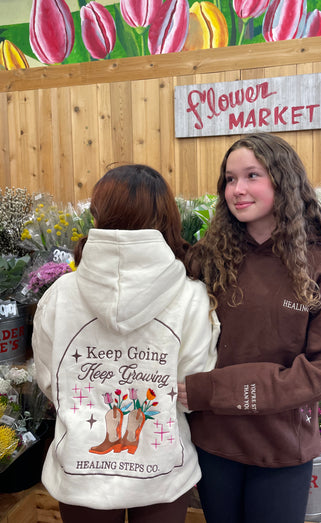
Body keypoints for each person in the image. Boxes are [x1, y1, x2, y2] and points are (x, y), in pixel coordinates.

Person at [178, 133, 321, 523]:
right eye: (229, 179)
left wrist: (213, 389)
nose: (237, 190)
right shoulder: (208, 258)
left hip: (282, 446)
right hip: (213, 441)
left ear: (282, 180)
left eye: (251, 175)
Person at [32, 164, 219, 523]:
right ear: (167, 217)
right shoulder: (191, 297)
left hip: (81, 471)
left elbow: (51, 381)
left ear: (98, 215)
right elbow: (192, 386)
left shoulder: (59, 296)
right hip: (162, 468)